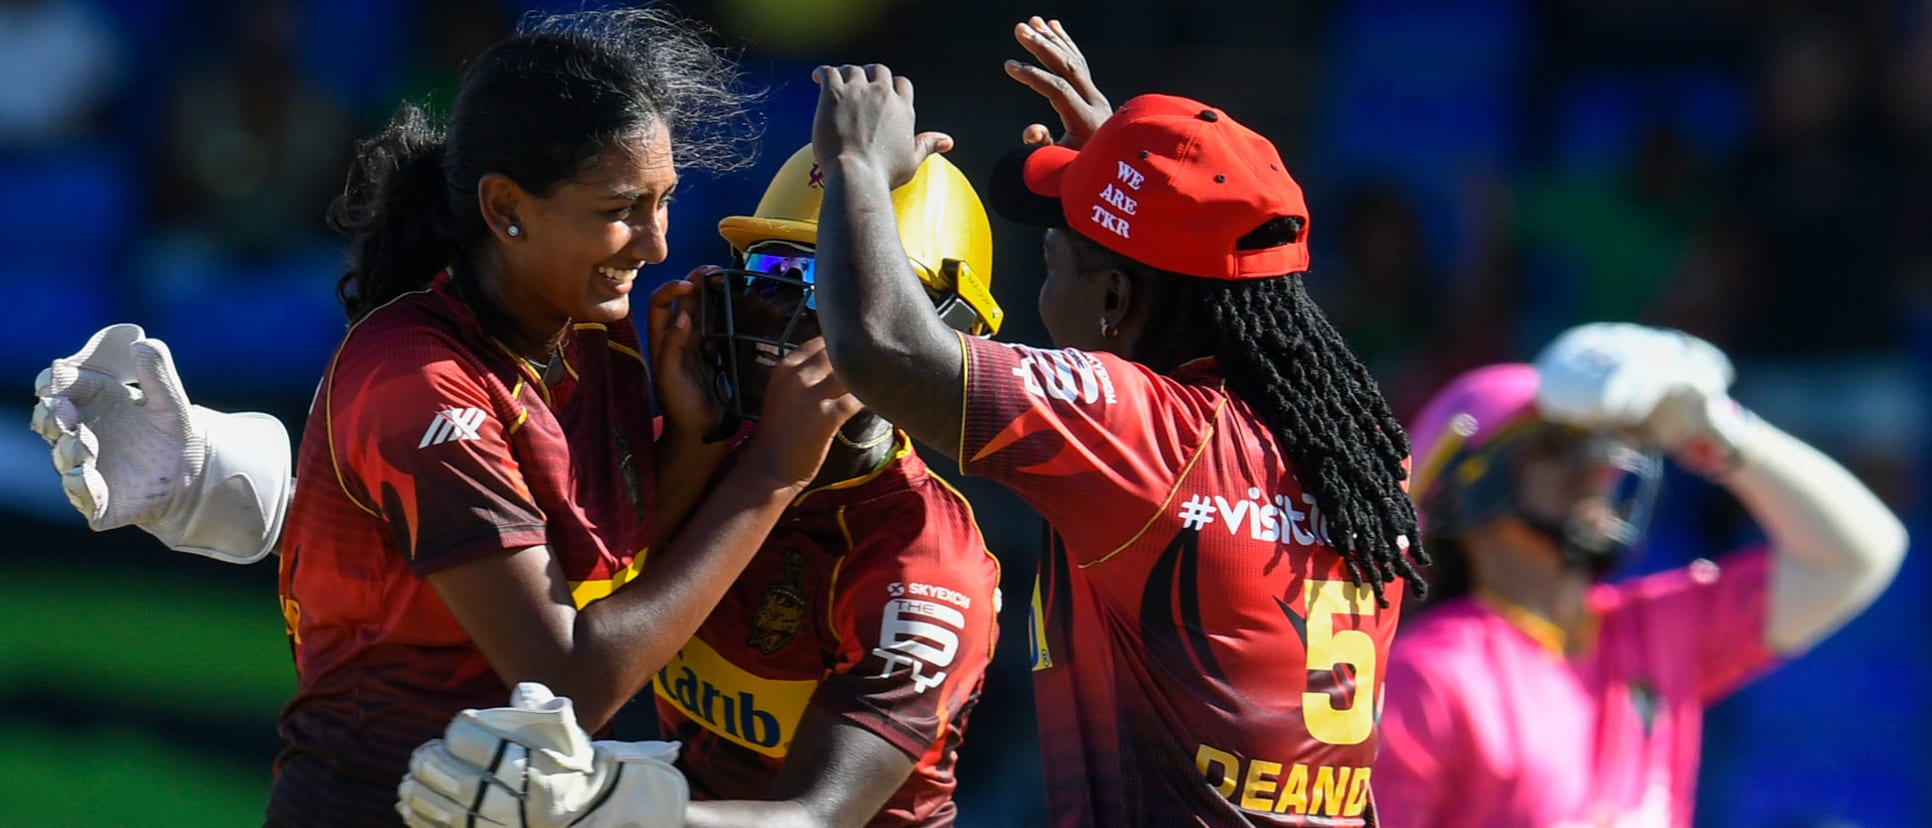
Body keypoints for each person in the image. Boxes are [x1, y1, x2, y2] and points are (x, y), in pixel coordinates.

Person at [32, 9, 864, 827]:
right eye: (620, 208)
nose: (653, 245)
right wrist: (770, 473)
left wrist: (695, 441)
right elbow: (565, 681)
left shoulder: (592, 345)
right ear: (506, 208)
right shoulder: (420, 379)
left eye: (665, 200)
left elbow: (607, 576)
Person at [803, 19, 1424, 826]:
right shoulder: (1360, 448)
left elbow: (885, 350)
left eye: (1055, 260)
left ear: (1115, 301)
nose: (1041, 280)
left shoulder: (1144, 430)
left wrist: (854, 162)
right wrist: (1128, 170)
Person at [394, 144, 1005, 828]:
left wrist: (602, 807)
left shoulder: (924, 567)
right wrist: (691, 445)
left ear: (940, 336)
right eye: (777, 272)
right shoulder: (723, 455)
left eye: (848, 286)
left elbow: (816, 819)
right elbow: (580, 620)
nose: (791, 313)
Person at [1374, 322, 1908, 827]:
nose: (1600, 467)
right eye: (1556, 448)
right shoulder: (1431, 675)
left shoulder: (1654, 631)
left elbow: (1858, 556)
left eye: (1606, 445)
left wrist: (1720, 433)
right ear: (1461, 490)